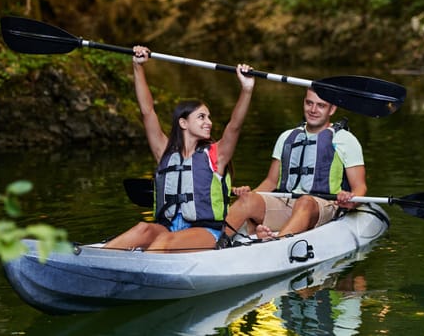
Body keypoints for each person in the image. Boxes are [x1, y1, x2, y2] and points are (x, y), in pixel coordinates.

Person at [104, 45, 255, 252]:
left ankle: (140, 273)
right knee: (142, 229)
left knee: (163, 243)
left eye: (209, 117)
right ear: (183, 123)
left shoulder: (216, 155)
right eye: (201, 117)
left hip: (205, 232)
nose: (209, 122)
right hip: (168, 229)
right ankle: (90, 263)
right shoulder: (165, 152)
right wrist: (138, 67)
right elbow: (147, 112)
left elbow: (235, 126)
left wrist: (246, 89)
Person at [225, 86, 366, 240]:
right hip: (286, 202)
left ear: (332, 109)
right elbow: (270, 182)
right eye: (309, 103)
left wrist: (350, 200)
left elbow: (360, 187)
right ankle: (210, 242)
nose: (313, 110)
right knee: (247, 200)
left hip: (323, 205)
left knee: (305, 202)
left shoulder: (345, 140)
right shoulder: (286, 137)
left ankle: (276, 247)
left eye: (321, 105)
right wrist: (250, 195)